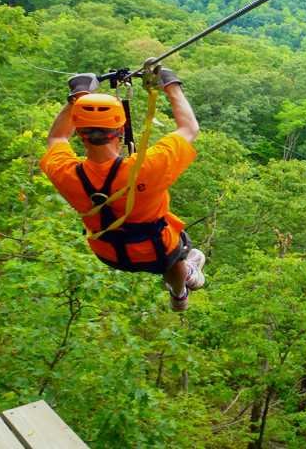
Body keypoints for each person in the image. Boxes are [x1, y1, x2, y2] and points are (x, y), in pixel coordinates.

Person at [39, 67, 204, 312]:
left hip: (108, 252)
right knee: (176, 248)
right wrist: (171, 85)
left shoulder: (66, 173)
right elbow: (189, 128)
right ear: (120, 130)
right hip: (157, 252)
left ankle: (181, 288)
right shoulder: (148, 167)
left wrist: (77, 98)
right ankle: (180, 291)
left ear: (80, 133)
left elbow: (56, 139)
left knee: (168, 245)